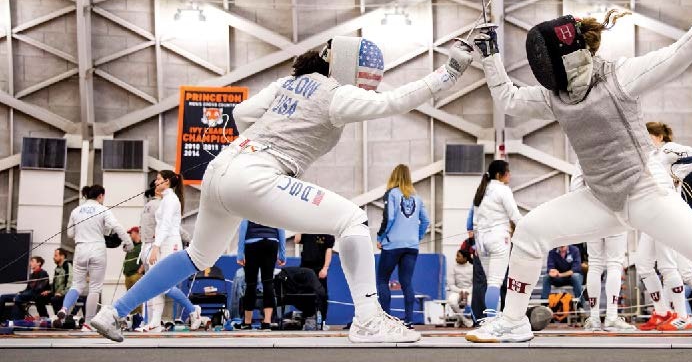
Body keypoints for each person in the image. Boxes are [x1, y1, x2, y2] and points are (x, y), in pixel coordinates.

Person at [466, 0, 692, 343]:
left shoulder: (619, 76)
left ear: (569, 57)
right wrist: (490, 56)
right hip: (601, 198)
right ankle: (513, 321)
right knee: (531, 231)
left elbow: (679, 53)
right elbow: (510, 99)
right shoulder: (555, 97)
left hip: (646, 190)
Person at [90, 36, 473, 343]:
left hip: (221, 168)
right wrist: (451, 71)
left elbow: (240, 114)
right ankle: (369, 320)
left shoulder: (288, 84)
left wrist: (263, 143)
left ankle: (113, 312)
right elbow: (393, 101)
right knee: (353, 219)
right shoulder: (336, 94)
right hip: (255, 176)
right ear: (348, 67)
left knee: (197, 255)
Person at [641, 122, 692, 330]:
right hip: (650, 215)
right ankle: (661, 312)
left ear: (659, 136)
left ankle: (684, 316)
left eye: (647, 135)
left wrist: (677, 174)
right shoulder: (651, 156)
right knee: (643, 264)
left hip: (668, 215)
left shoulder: (667, 149)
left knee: (676, 269)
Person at [58, 185, 133, 331]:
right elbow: (117, 226)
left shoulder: (76, 210)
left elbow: (70, 234)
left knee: (77, 285)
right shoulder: (103, 209)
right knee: (95, 288)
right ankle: (87, 323)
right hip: (97, 249)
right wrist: (128, 243)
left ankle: (64, 309)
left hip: (81, 249)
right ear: (100, 196)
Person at [571, 166, 634, 332]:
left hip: (592, 215)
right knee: (614, 264)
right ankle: (611, 317)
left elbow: (575, 187)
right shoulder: (619, 152)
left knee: (595, 264)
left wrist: (586, 211)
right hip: (616, 212)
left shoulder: (583, 155)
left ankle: (594, 319)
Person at [138, 171, 202, 332]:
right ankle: (155, 321)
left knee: (164, 285)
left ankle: (193, 310)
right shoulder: (166, 199)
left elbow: (166, 226)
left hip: (170, 244)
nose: (155, 182)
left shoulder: (171, 200)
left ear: (166, 181)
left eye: (158, 179)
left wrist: (155, 247)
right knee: (156, 283)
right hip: (163, 243)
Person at [376, 164, 430, 328]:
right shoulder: (417, 197)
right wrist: (417, 237)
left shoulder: (391, 193)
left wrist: (380, 237)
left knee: (382, 280)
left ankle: (386, 319)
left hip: (392, 244)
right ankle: (409, 320)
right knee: (406, 282)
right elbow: (426, 221)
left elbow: (390, 217)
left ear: (394, 176)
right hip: (411, 246)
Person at [472, 160, 521, 318]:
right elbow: (515, 216)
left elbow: (475, 221)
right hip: (498, 239)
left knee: (491, 283)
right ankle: (491, 321)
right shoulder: (503, 190)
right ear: (500, 175)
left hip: (481, 242)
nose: (510, 175)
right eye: (508, 172)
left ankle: (490, 319)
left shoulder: (482, 190)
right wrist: (529, 231)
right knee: (495, 282)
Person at [237, 220, 286, 330]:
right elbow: (281, 227)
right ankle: (267, 322)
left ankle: (247, 322)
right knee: (268, 282)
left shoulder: (249, 208)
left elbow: (243, 227)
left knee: (251, 283)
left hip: (252, 243)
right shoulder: (275, 209)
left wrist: (240, 253)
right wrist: (282, 253)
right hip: (271, 243)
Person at [294, 232, 335, 328]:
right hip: (305, 268)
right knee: (304, 294)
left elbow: (328, 251)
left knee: (322, 294)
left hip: (319, 268)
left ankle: (322, 321)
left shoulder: (327, 233)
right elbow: (296, 240)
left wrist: (325, 268)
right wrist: (300, 227)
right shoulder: (307, 231)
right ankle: (306, 318)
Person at [0, 257, 49, 322]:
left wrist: (22, 294)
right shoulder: (31, 275)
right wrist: (21, 292)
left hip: (35, 294)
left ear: (39, 263)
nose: (30, 263)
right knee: (3, 297)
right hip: (27, 293)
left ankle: (15, 321)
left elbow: (39, 288)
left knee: (18, 298)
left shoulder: (43, 273)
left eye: (32, 261)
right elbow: (28, 288)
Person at [35, 248, 72, 318]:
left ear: (62, 256)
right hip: (56, 293)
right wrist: (49, 291)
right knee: (39, 298)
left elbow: (70, 283)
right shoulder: (57, 268)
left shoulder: (68, 266)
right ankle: (45, 318)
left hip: (65, 294)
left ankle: (59, 318)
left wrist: (62, 293)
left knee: (55, 299)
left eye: (56, 255)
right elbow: (56, 284)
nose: (53, 258)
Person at [447, 249, 474, 328]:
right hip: (457, 291)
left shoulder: (472, 268)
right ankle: (464, 320)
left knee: (471, 302)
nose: (456, 258)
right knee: (452, 301)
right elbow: (451, 285)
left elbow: (475, 284)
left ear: (465, 258)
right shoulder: (452, 268)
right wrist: (461, 291)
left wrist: (467, 291)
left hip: (470, 291)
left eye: (458, 256)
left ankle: (460, 320)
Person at [123, 227, 143, 315]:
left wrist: (141, 269)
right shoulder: (131, 246)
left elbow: (146, 257)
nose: (130, 235)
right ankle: (132, 316)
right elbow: (124, 248)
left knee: (137, 296)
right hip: (127, 275)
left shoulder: (143, 245)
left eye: (131, 233)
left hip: (136, 275)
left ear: (136, 233)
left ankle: (138, 316)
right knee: (130, 297)